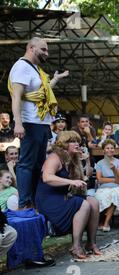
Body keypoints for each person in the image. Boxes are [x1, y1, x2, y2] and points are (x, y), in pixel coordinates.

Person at [8, 37, 69, 209]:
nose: (46, 53)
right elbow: (16, 96)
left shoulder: (35, 69)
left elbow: (43, 92)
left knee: (37, 165)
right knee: (26, 164)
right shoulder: (21, 67)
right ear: (31, 47)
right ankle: (25, 203)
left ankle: (34, 202)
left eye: (47, 50)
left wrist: (55, 79)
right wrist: (18, 123)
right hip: (29, 123)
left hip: (42, 123)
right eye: (43, 49)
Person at [35, 131, 101, 259]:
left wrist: (86, 160)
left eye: (77, 141)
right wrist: (71, 181)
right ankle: (76, 246)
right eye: (72, 141)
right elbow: (47, 177)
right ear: (64, 144)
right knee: (83, 204)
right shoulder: (54, 157)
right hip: (49, 199)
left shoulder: (72, 158)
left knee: (94, 202)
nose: (77, 144)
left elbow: (86, 176)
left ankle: (91, 243)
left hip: (62, 196)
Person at [94, 140, 119, 232]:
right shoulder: (100, 163)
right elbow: (99, 179)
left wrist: (114, 169)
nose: (110, 150)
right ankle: (100, 221)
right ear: (104, 150)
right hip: (104, 186)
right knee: (101, 196)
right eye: (107, 148)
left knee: (115, 194)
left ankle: (106, 222)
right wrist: (113, 179)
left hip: (117, 186)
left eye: (112, 148)